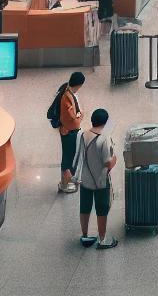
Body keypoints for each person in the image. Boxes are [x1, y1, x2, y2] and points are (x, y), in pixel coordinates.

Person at [73, 107, 118, 249]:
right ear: (105, 123)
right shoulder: (104, 140)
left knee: (85, 207)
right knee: (102, 209)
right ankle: (102, 239)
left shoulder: (82, 134)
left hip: (85, 179)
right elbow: (108, 163)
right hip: (100, 181)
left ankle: (85, 236)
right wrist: (115, 158)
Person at [58, 71, 86, 193]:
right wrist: (80, 115)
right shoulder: (68, 97)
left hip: (68, 130)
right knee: (68, 158)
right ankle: (65, 183)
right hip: (69, 131)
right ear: (79, 84)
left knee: (69, 156)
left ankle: (66, 181)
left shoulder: (67, 91)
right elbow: (73, 116)